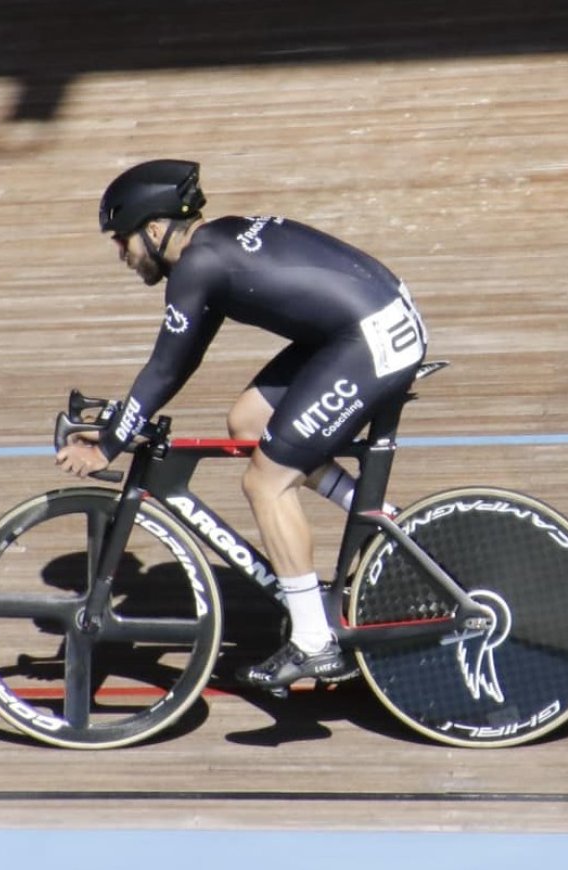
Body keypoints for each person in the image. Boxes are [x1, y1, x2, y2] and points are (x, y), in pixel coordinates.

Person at [56, 159, 428, 690]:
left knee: (266, 481)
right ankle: (385, 522)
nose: (122, 255)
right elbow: (180, 361)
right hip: (365, 326)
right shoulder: (216, 245)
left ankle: (314, 644)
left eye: (123, 241)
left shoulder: (198, 267)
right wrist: (121, 421)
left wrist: (111, 443)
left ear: (155, 230)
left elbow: (164, 367)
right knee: (249, 422)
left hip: (368, 339)